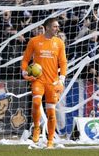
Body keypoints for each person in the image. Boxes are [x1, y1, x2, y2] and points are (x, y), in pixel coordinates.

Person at [21, 17, 67, 148]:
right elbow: (25, 59)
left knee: (51, 112)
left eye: (57, 26)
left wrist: (62, 79)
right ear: (47, 27)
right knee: (36, 102)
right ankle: (36, 128)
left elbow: (63, 62)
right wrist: (24, 71)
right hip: (38, 80)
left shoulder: (59, 43)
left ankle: (50, 141)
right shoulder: (34, 41)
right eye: (55, 26)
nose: (57, 28)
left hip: (52, 82)